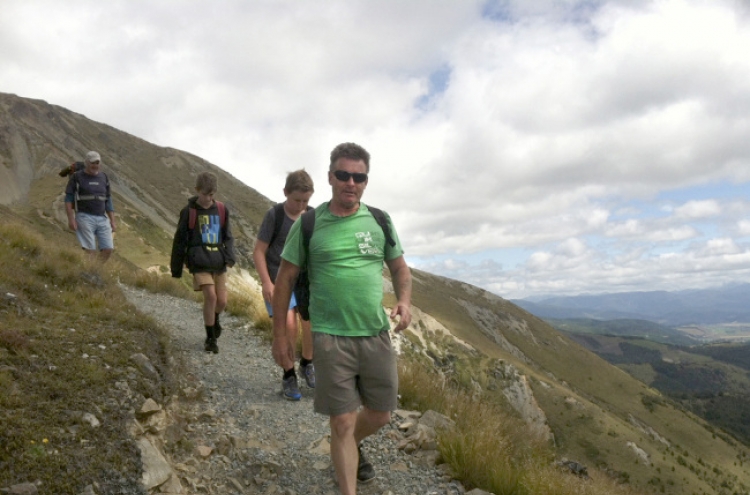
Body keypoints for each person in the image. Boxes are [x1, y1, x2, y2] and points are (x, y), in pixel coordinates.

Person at [272, 143, 412, 494]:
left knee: (380, 414)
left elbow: (399, 268)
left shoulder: (380, 220)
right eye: (343, 175)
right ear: (331, 176)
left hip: (375, 334)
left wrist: (405, 302)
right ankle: (345, 467)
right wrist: (280, 337)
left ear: (366, 181)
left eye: (359, 176)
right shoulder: (308, 223)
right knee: (343, 421)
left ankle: (345, 444)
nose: (351, 182)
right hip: (330, 336)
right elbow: (285, 279)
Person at [253, 170, 316, 401]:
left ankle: (307, 363)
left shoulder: (312, 217)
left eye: (305, 201)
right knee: (289, 325)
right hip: (278, 280)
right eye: (296, 200)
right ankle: (289, 375)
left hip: (304, 281)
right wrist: (266, 282)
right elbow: (259, 251)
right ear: (285, 193)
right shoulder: (275, 216)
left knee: (311, 324)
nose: (301, 205)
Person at [171, 171, 236, 354]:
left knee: (222, 301)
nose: (209, 198)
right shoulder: (189, 212)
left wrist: (229, 257)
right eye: (206, 194)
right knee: (211, 296)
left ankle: (214, 319)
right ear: (197, 190)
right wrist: (176, 268)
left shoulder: (222, 210)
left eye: (212, 194)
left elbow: (228, 236)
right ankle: (210, 339)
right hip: (198, 261)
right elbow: (180, 240)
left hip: (218, 261)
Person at [64, 151, 116, 262]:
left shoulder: (104, 177)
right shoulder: (77, 177)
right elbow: (68, 199)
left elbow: (108, 200)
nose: (95, 165)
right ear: (86, 163)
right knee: (90, 251)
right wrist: (71, 219)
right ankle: (90, 274)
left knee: (108, 249)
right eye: (93, 163)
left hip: (102, 218)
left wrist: (112, 220)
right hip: (84, 217)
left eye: (97, 163)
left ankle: (95, 271)